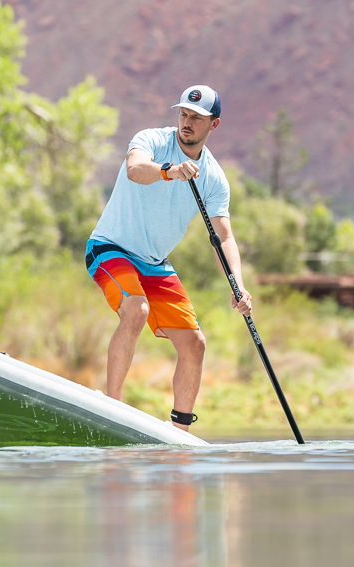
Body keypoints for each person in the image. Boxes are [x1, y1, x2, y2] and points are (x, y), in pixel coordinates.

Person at [85, 85, 252, 432]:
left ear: (214, 125)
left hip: (155, 263)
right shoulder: (151, 140)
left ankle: (180, 434)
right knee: (136, 310)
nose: (186, 122)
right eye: (183, 114)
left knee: (195, 344)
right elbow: (135, 169)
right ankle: (112, 409)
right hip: (110, 248)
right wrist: (169, 171)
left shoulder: (214, 178)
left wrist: (238, 284)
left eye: (196, 118)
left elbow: (224, 237)